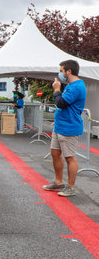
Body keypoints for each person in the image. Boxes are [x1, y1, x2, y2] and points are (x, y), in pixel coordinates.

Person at [43, 60, 87, 197]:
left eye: (61, 70)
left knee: (70, 157)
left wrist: (57, 89)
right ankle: (58, 182)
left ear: (69, 71)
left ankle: (71, 187)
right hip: (60, 126)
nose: (60, 73)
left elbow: (61, 103)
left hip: (69, 127)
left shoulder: (77, 87)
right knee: (55, 153)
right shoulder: (71, 85)